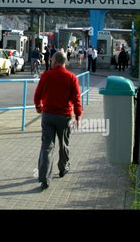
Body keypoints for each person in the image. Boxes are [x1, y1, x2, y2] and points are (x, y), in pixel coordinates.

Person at [34, 50, 82, 191]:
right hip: (64, 116)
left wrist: (38, 106)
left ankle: (44, 179)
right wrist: (78, 115)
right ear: (65, 62)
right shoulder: (72, 77)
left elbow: (37, 95)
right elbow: (76, 99)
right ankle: (63, 169)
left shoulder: (46, 76)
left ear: (54, 61)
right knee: (64, 145)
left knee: (47, 147)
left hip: (48, 115)